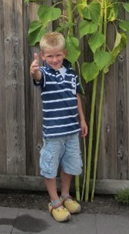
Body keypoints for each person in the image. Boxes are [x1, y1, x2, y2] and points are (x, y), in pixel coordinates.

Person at [30, 31, 88, 223]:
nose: (54, 59)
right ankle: (54, 202)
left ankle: (65, 196)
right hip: (54, 133)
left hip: (72, 131)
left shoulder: (71, 73)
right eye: (49, 56)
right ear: (43, 56)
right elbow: (37, 77)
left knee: (70, 166)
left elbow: (76, 97)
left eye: (58, 55)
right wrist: (34, 70)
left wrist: (82, 120)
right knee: (50, 166)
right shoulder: (45, 74)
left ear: (64, 53)